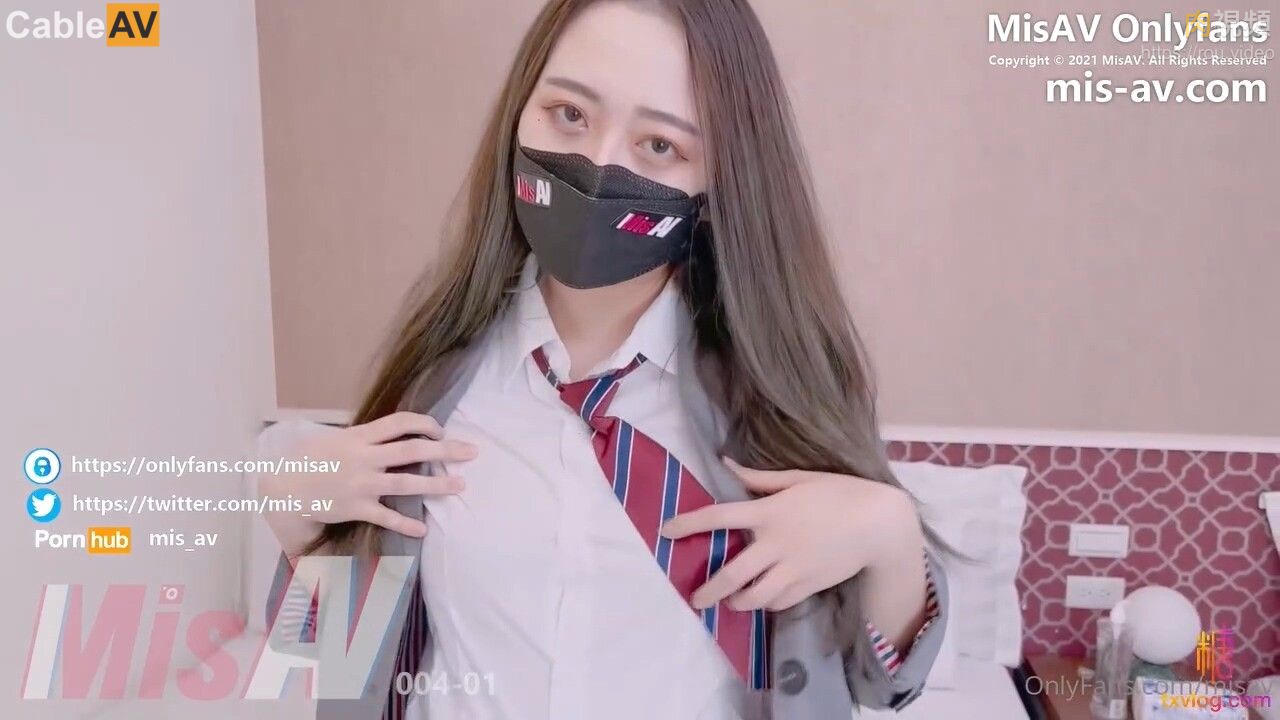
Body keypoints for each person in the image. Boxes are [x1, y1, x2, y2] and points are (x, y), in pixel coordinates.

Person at [257, 1, 948, 718]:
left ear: (719, 181)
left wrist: (890, 532)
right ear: (519, 114)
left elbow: (884, 686)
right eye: (569, 114)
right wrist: (296, 524)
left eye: (660, 146)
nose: (599, 165)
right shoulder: (436, 384)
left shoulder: (782, 392)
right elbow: (338, 659)